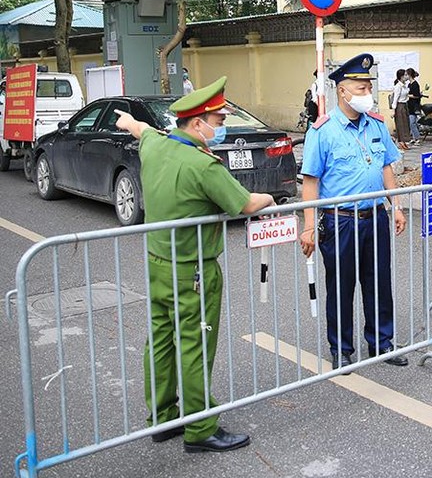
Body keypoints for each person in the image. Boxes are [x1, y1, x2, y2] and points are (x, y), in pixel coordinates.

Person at [114, 77, 276, 453]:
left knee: (160, 341)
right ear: (198, 122)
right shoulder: (205, 166)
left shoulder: (157, 146)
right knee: (194, 345)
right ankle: (200, 427)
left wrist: (128, 122)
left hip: (158, 263)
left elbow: (141, 130)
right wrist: (269, 196)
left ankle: (162, 418)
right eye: (218, 122)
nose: (221, 128)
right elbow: (246, 204)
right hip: (194, 272)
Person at [298, 52, 409, 371]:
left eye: (368, 87)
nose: (367, 94)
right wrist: (308, 226)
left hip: (375, 217)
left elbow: (387, 167)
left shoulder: (376, 125)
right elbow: (310, 182)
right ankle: (341, 348)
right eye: (360, 88)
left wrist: (396, 205)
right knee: (341, 286)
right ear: (342, 91)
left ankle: (381, 343)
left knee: (379, 283)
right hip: (340, 222)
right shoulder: (322, 131)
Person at [391, 69, 412, 149]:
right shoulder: (398, 86)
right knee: (400, 124)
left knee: (405, 123)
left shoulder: (405, 85)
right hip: (399, 106)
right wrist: (393, 110)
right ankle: (401, 141)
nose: (407, 76)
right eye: (405, 75)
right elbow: (395, 99)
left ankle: (404, 140)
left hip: (404, 105)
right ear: (401, 76)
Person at [405, 67, 422, 143]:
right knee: (410, 123)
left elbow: (416, 95)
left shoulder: (415, 84)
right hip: (410, 105)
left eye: (406, 74)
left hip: (414, 105)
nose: (405, 76)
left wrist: (408, 95)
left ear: (409, 75)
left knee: (412, 123)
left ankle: (417, 138)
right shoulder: (409, 84)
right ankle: (414, 137)